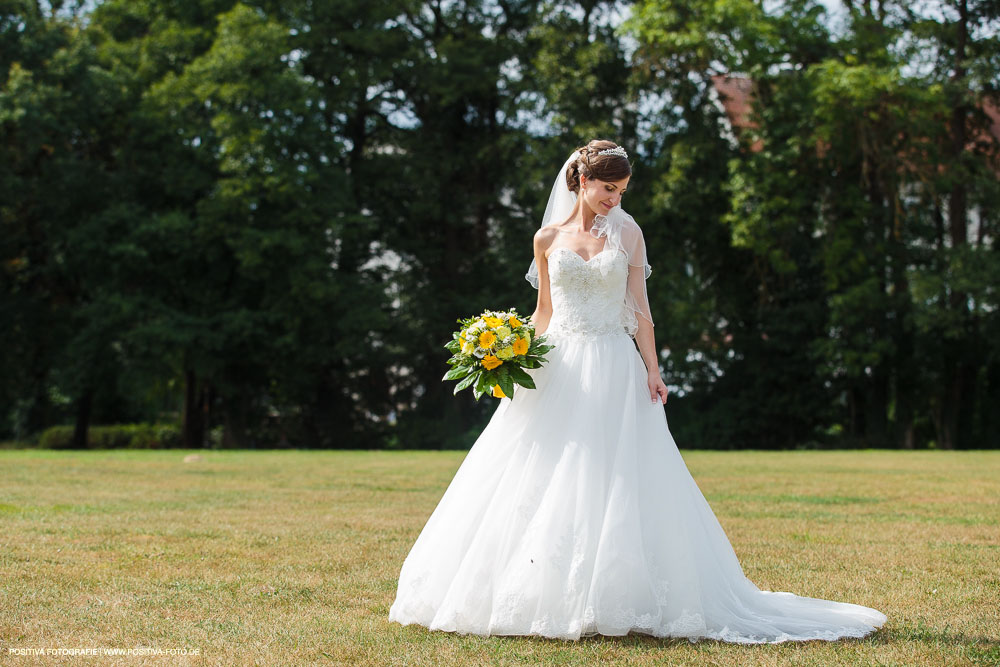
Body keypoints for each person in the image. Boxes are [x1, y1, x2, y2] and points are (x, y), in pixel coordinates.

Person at [387, 140, 887, 642]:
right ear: (582, 181)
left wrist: (654, 368)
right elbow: (544, 311)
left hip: (612, 362)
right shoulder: (546, 238)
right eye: (608, 188)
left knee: (617, 471)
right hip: (558, 364)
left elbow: (641, 311)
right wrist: (513, 357)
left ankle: (615, 594)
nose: (615, 199)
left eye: (622, 190)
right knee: (543, 469)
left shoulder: (628, 232)